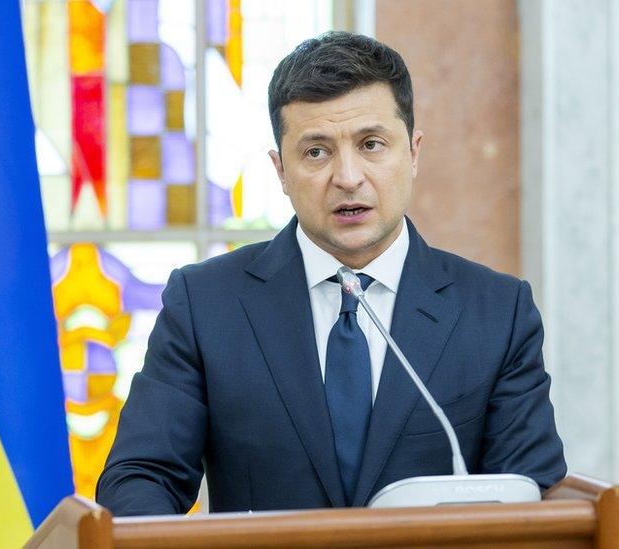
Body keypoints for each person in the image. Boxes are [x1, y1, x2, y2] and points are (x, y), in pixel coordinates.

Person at [96, 32, 566, 516]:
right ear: (280, 170)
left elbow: (530, 492)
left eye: (372, 144)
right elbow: (141, 477)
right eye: (316, 152)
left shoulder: (496, 312)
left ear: (413, 152)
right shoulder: (205, 303)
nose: (347, 177)